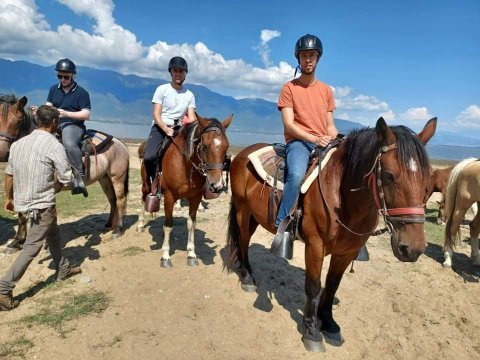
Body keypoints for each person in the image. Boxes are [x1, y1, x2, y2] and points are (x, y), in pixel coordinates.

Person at [0, 105, 82, 311]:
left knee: (53, 235)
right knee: (32, 247)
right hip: (42, 205)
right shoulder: (54, 145)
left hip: (24, 202)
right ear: (54, 123)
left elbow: (9, 175)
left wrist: (9, 198)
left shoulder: (18, 145)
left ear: (37, 121)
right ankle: (4, 288)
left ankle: (63, 268)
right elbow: (65, 177)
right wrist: (68, 180)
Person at [271, 34, 339, 259]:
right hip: (299, 142)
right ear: (298, 59)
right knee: (297, 174)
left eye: (311, 55)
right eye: (304, 55)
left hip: (323, 142)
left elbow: (330, 126)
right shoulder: (289, 88)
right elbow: (289, 124)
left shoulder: (326, 90)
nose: (308, 59)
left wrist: (339, 140)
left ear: (318, 58)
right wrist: (314, 139)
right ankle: (283, 225)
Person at [143, 56, 196, 189]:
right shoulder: (162, 89)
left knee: (201, 154)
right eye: (175, 71)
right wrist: (165, 129)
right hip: (160, 127)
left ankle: (203, 185)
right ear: (171, 72)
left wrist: (193, 128)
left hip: (180, 129)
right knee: (149, 157)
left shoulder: (189, 95)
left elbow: (191, 117)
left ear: (185, 74)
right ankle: (152, 181)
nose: (178, 74)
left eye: (181, 71)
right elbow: (156, 114)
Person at [46, 58, 91, 197]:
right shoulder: (54, 89)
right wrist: (41, 110)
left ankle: (79, 176)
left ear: (73, 75)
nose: (63, 79)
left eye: (66, 76)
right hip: (54, 123)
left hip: (73, 125)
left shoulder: (82, 93)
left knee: (69, 143)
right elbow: (48, 106)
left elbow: (86, 114)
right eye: (60, 76)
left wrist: (66, 114)